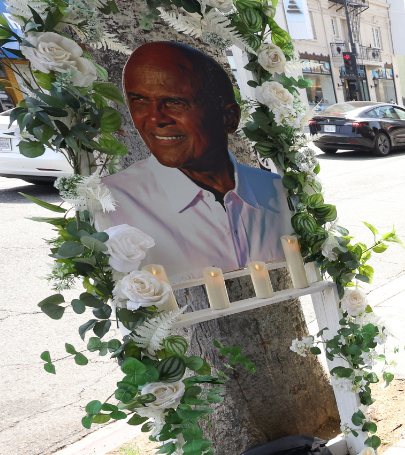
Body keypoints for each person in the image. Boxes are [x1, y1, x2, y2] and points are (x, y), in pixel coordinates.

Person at [102, 41, 289, 284]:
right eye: (140, 101)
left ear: (229, 118)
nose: (154, 118)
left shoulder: (279, 191)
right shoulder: (110, 202)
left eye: (175, 102)